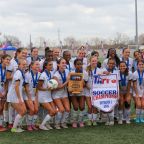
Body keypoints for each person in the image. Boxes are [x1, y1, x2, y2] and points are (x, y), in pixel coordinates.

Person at [7, 59, 27, 133]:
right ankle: (14, 128)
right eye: (23, 64)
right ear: (19, 65)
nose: (24, 66)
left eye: (25, 64)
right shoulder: (18, 73)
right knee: (22, 111)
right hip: (13, 95)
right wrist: (20, 99)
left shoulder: (21, 72)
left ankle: (17, 126)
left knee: (24, 111)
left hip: (18, 94)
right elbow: (16, 87)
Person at [37, 60, 57, 130]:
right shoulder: (43, 75)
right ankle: (42, 125)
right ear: (45, 66)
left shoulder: (51, 73)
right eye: (50, 65)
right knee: (52, 111)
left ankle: (45, 123)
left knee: (54, 112)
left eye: (52, 65)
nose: (51, 66)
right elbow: (38, 87)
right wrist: (47, 89)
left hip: (48, 96)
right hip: (42, 96)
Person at [52, 58, 70, 129]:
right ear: (58, 64)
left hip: (64, 93)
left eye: (65, 63)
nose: (64, 64)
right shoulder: (55, 75)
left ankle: (63, 122)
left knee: (68, 109)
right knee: (61, 109)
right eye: (62, 63)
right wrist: (67, 81)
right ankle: (56, 124)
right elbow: (59, 87)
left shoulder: (68, 71)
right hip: (56, 94)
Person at [70, 59, 88, 128]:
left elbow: (85, 84)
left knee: (82, 107)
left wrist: (82, 81)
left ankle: (81, 121)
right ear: (75, 65)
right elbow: (70, 84)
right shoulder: (71, 72)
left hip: (81, 92)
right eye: (78, 64)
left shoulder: (85, 73)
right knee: (75, 107)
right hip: (73, 93)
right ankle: (74, 121)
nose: (79, 65)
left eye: (81, 64)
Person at [24, 61, 41, 131]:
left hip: (35, 95)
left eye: (39, 65)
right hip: (27, 95)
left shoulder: (40, 74)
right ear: (31, 66)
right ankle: (28, 125)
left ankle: (33, 124)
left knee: (36, 110)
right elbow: (26, 88)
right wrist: (30, 98)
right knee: (32, 109)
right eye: (36, 64)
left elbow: (38, 87)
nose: (38, 66)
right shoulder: (27, 75)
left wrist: (36, 97)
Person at [101, 58, 118, 126]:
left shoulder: (117, 71)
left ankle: (111, 119)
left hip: (113, 92)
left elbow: (118, 83)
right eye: (110, 63)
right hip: (104, 92)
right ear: (107, 64)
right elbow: (98, 77)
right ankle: (107, 119)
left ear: (115, 64)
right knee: (106, 105)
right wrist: (103, 73)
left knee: (112, 105)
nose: (111, 65)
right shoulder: (103, 70)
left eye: (113, 63)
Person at [85, 56, 101, 126]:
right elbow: (84, 82)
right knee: (89, 106)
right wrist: (89, 88)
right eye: (93, 61)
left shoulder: (100, 70)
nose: (94, 62)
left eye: (95, 61)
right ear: (90, 62)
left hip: (96, 92)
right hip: (88, 91)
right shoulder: (86, 70)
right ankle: (89, 120)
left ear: (97, 61)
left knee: (95, 106)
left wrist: (106, 73)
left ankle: (94, 120)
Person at [0, 54, 11, 132]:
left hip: (3, 91)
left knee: (1, 109)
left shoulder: (7, 69)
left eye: (9, 60)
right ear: (2, 59)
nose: (8, 61)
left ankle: (0, 125)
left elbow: (6, 81)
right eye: (6, 59)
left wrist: (5, 91)